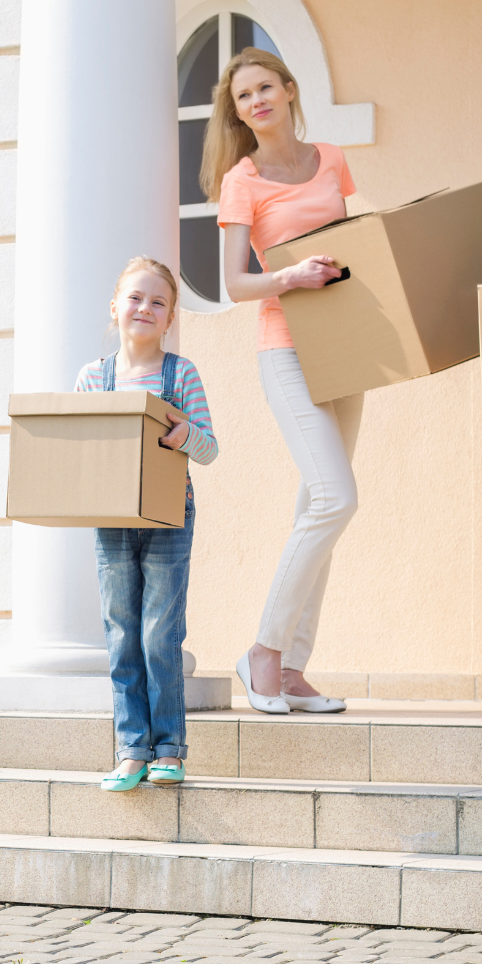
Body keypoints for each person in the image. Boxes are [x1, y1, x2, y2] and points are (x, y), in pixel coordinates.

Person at [206, 47, 355, 716]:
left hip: (347, 345)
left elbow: (354, 245)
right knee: (335, 499)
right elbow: (234, 282)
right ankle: (263, 653)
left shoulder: (331, 159)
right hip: (286, 349)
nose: (257, 101)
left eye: (266, 87)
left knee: (315, 510)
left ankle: (293, 668)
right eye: (244, 97)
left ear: (290, 90)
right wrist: (290, 277)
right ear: (236, 112)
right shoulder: (243, 180)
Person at [77, 257, 219, 791]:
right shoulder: (94, 377)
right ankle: (131, 747)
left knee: (161, 631)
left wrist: (184, 434)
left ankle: (169, 750)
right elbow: (84, 451)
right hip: (111, 520)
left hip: (168, 517)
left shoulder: (181, 374)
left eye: (158, 301)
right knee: (121, 632)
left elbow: (209, 448)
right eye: (135, 298)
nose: (145, 308)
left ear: (171, 317)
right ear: (115, 308)